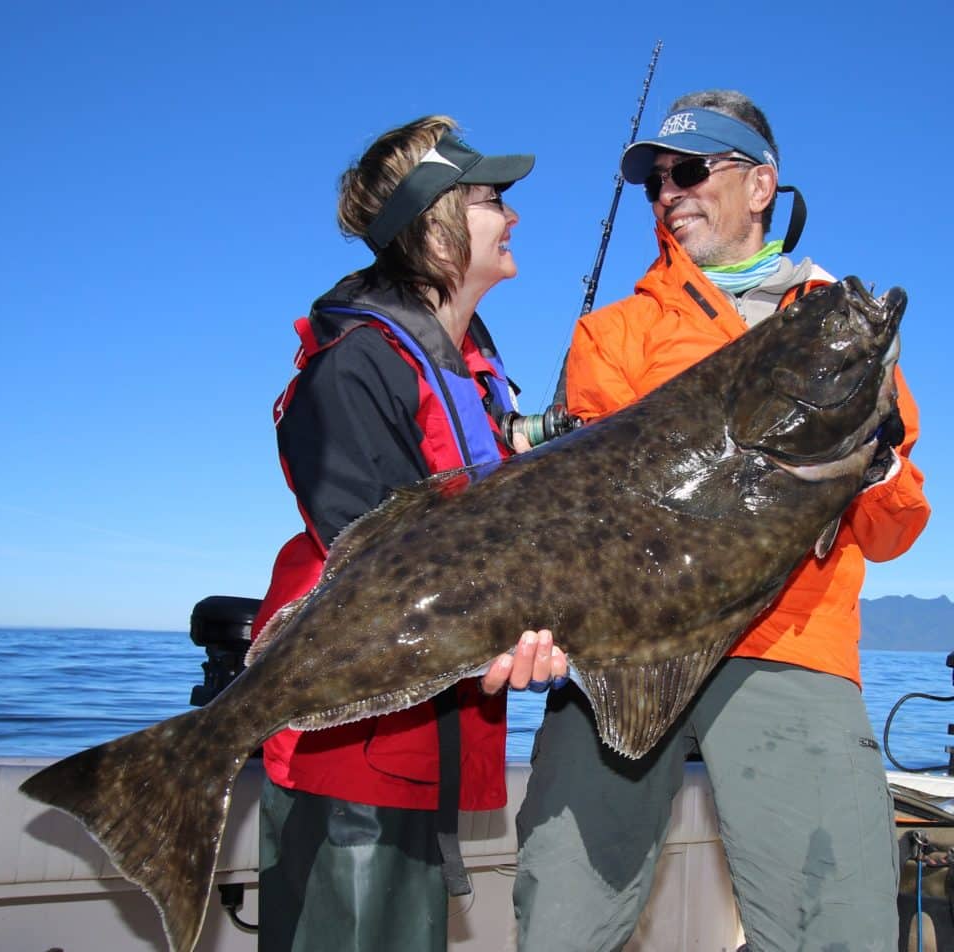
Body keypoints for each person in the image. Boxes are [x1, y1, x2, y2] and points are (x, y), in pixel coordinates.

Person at [513, 90, 931, 951]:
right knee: (561, 919)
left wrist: (877, 458)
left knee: (840, 928)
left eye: (691, 170)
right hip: (624, 649)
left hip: (791, 645)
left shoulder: (835, 327)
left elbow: (893, 531)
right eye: (656, 180)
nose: (670, 192)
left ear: (761, 183)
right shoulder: (612, 334)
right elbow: (587, 517)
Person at [250, 115, 567, 952]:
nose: (514, 216)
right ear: (436, 224)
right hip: (347, 745)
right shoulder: (354, 368)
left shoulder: (470, 368)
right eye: (494, 199)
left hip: (420, 738)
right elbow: (383, 572)